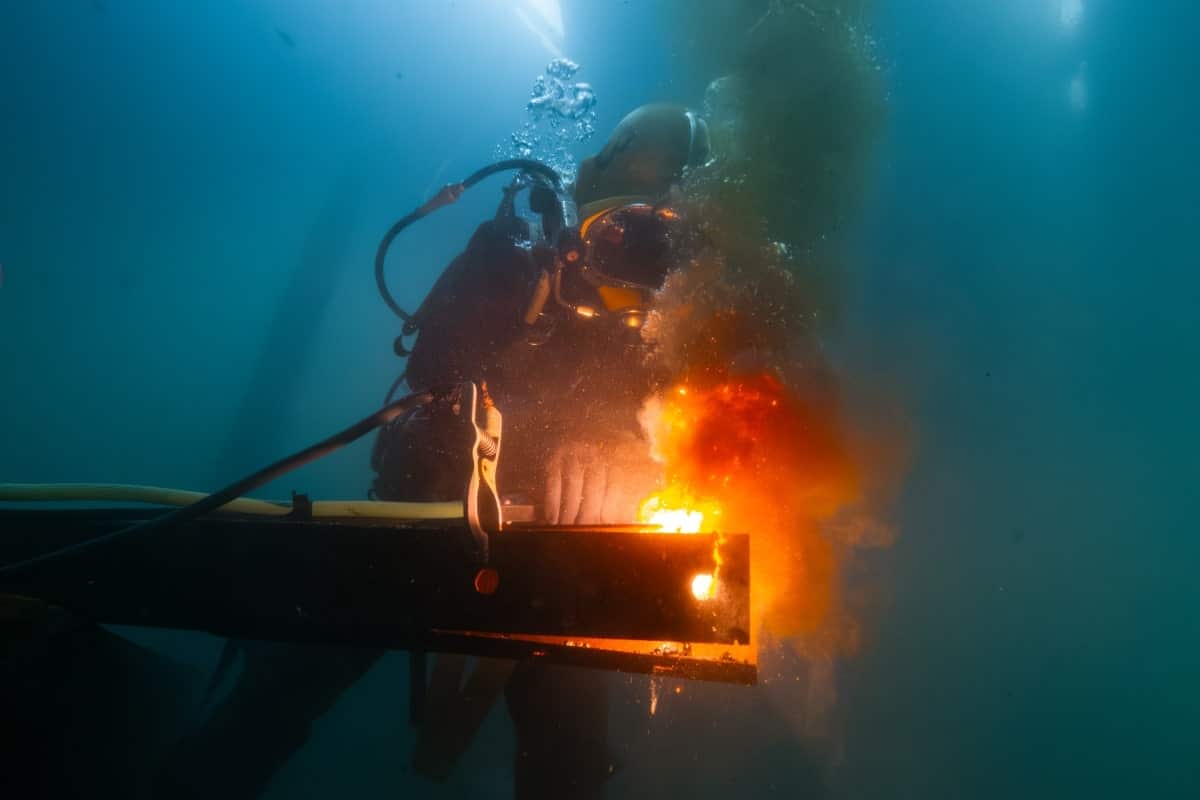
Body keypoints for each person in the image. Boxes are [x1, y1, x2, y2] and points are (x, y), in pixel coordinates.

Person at [155, 103, 711, 799]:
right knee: (280, 693)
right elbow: (437, 369)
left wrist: (633, 446)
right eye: (618, 235)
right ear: (583, 217)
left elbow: (707, 423)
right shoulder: (510, 253)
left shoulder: (674, 322)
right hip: (427, 514)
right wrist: (570, 423)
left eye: (660, 247)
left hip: (560, 551)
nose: (631, 275)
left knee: (569, 749)